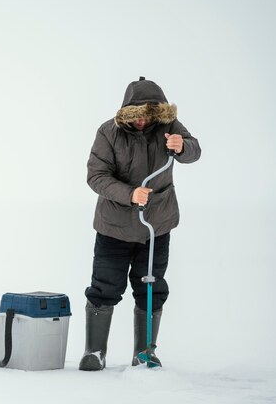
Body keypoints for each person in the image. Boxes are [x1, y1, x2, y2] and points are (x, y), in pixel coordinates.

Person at [79, 77, 201, 371]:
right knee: (105, 287)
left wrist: (183, 146)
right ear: (128, 112)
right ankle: (95, 351)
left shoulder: (170, 127)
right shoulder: (108, 132)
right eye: (138, 114)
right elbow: (96, 176)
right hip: (114, 226)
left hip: (156, 226)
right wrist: (130, 194)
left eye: (150, 113)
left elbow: (195, 152)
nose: (144, 120)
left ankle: (144, 352)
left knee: (151, 288)